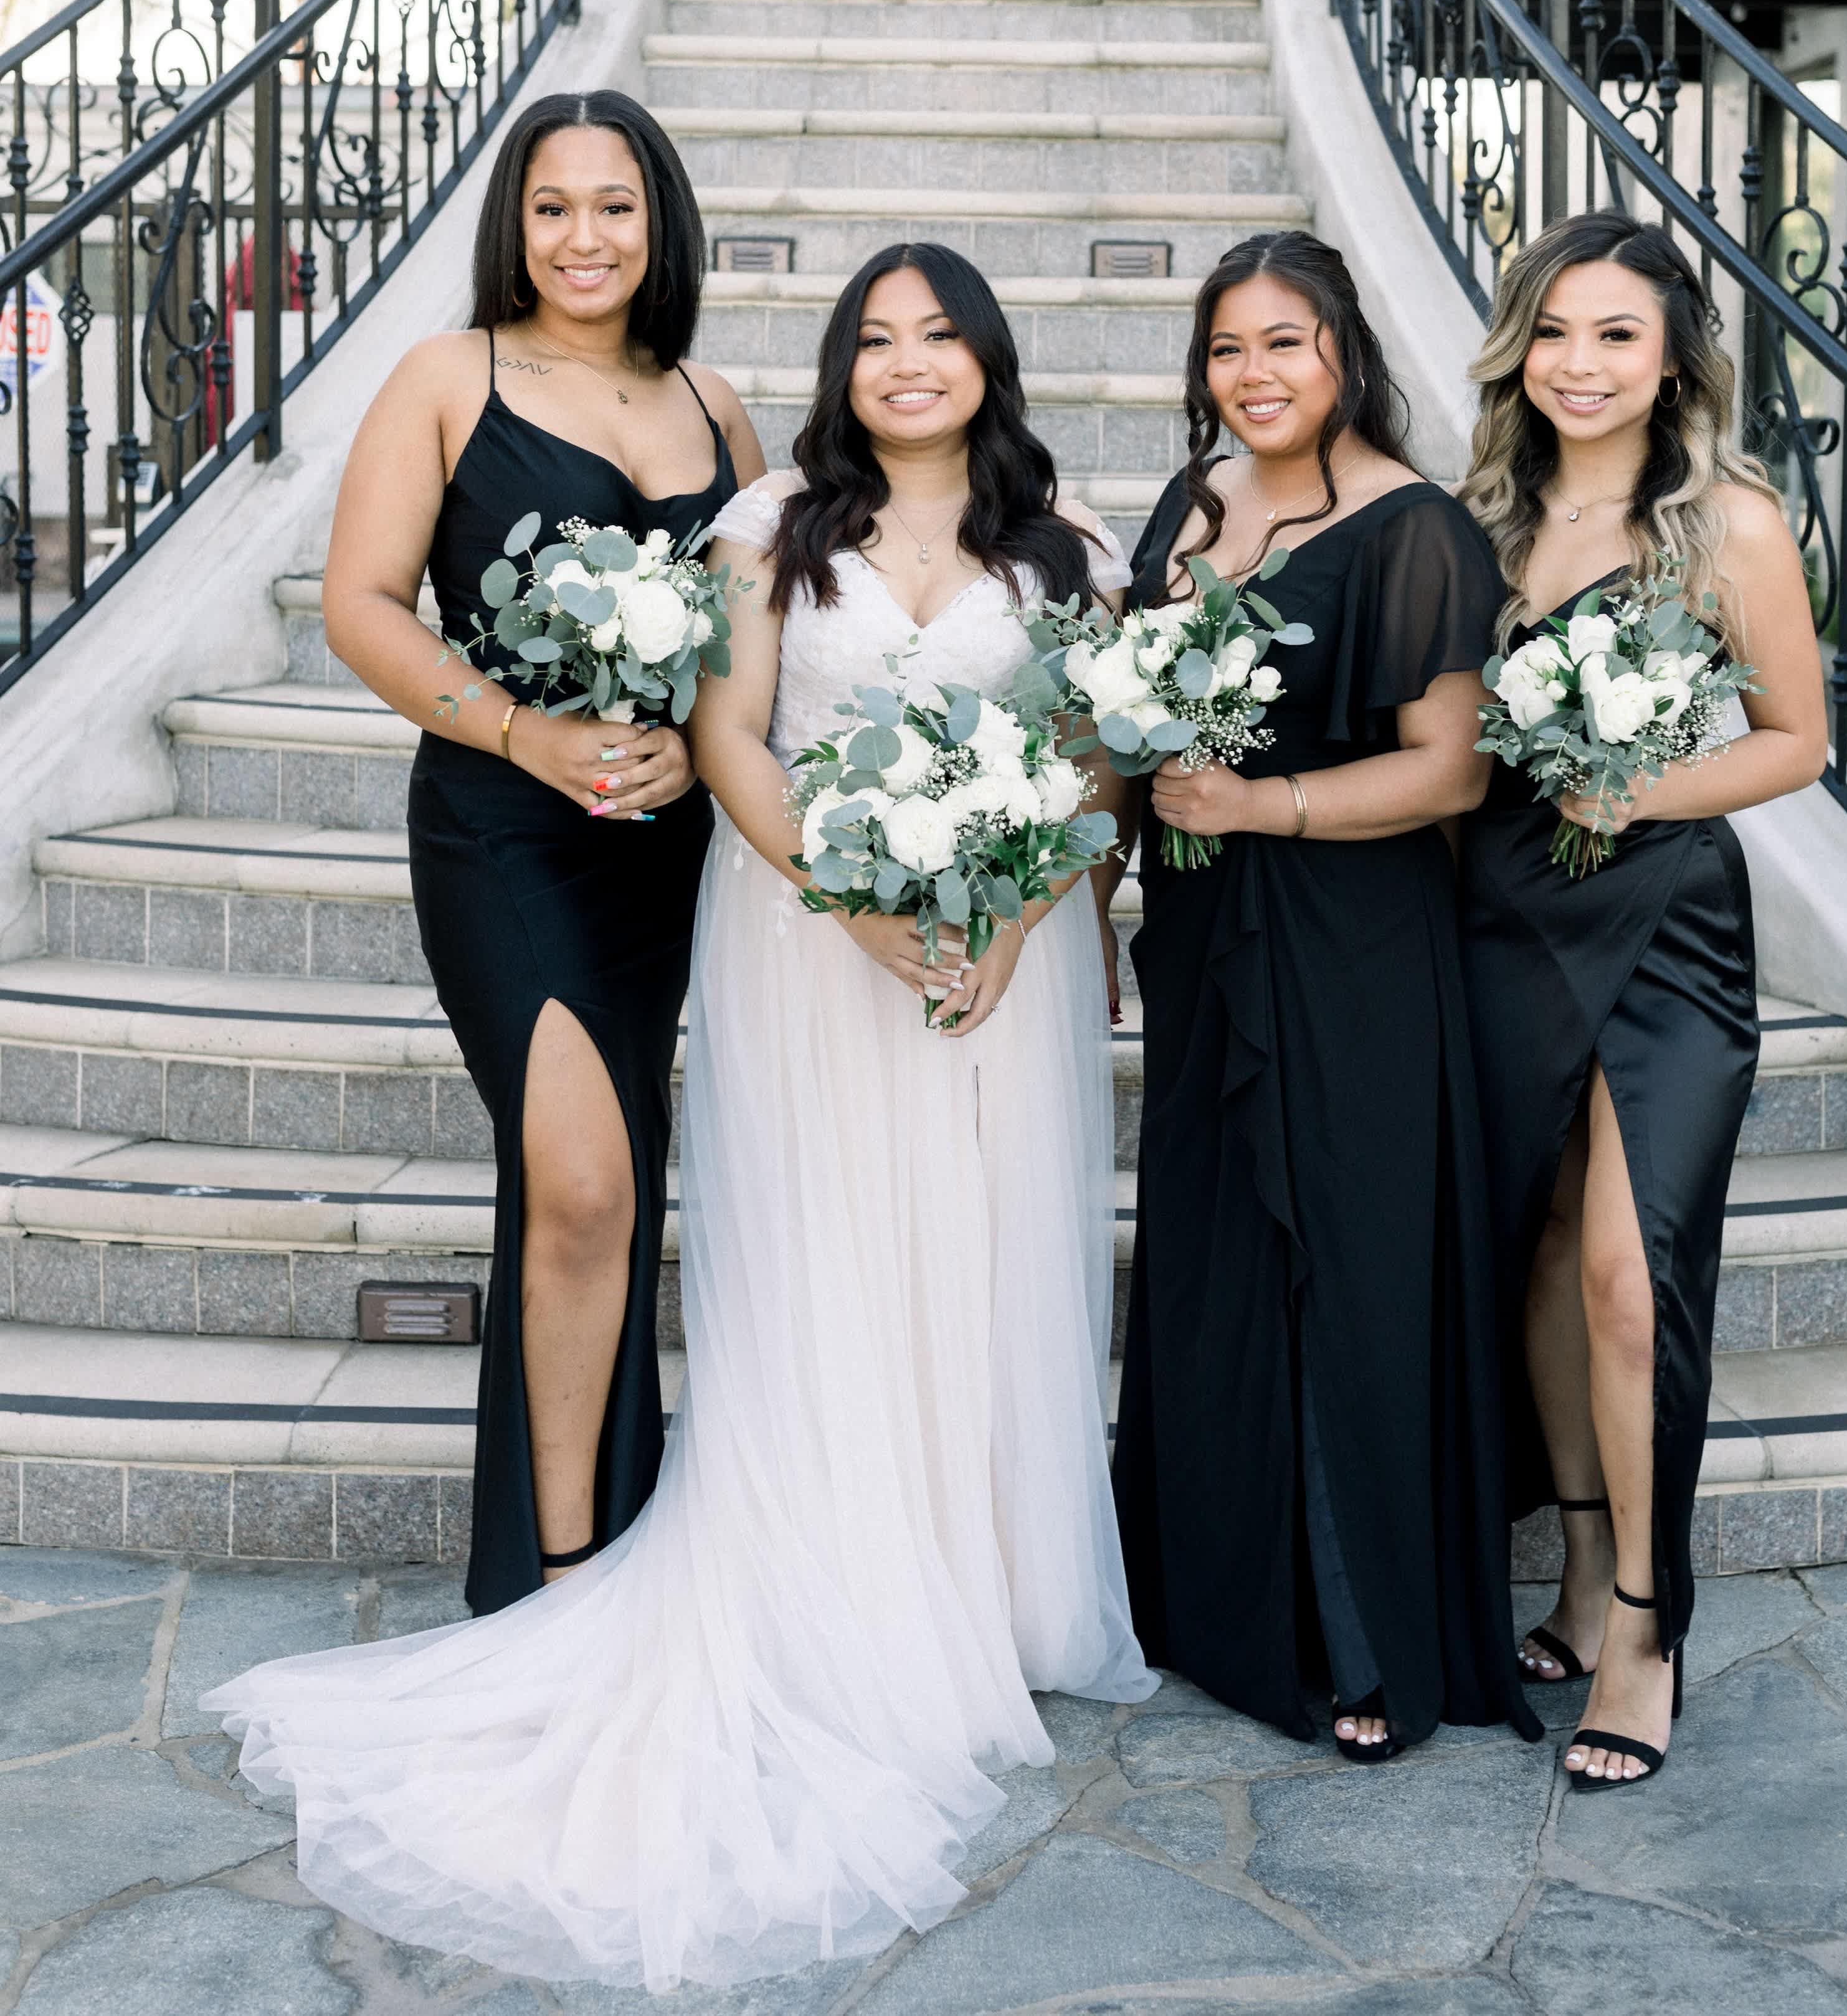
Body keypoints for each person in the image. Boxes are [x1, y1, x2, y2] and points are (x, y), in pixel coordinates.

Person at [205, 241, 1152, 1995]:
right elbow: (731, 740)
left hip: (995, 965)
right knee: (827, 1256)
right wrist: (856, 905)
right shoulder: (770, 523)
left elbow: (1096, 760)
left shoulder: (1069, 547)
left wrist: (1022, 917)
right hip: (811, 950)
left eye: (941, 334)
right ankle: (829, 1578)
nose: (908, 361)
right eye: (876, 337)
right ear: (838, 367)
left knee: (986, 1251)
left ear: (990, 357)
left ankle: (990, 1583)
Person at [317, 87, 761, 1612]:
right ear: (514, 224)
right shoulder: (451, 376)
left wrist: (699, 745)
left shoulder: (713, 402)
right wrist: (524, 732)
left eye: (615, 205)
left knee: (617, 1173)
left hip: (661, 845)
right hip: (503, 827)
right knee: (580, 1183)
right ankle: (559, 1586)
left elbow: (750, 650)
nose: (585, 236)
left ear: (660, 221)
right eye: (553, 205)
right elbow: (361, 604)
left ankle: (592, 1531)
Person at [1109, 229, 1539, 1761]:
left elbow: (1450, 772)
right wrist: (1091, 889)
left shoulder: (1415, 528)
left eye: (1283, 342)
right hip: (1202, 934)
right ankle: (1213, 1602)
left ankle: (1362, 1635)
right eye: (1227, 348)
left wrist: (1264, 805)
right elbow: (1127, 720)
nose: (1254, 373)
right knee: (1218, 1255)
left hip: (1351, 942)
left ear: (1344, 350)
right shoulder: (1193, 501)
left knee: (1341, 1269)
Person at [1457, 210, 1825, 1791]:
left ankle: (1645, 1623)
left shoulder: (1727, 523)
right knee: (1544, 1249)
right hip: (1498, 919)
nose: (1579, 362)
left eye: (1615, 331)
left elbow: (1794, 740)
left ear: (1673, 354)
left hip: (1665, 925)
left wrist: (1636, 785)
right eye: (1551, 329)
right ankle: (1579, 1558)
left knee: (1628, 1273)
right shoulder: (1475, 519)